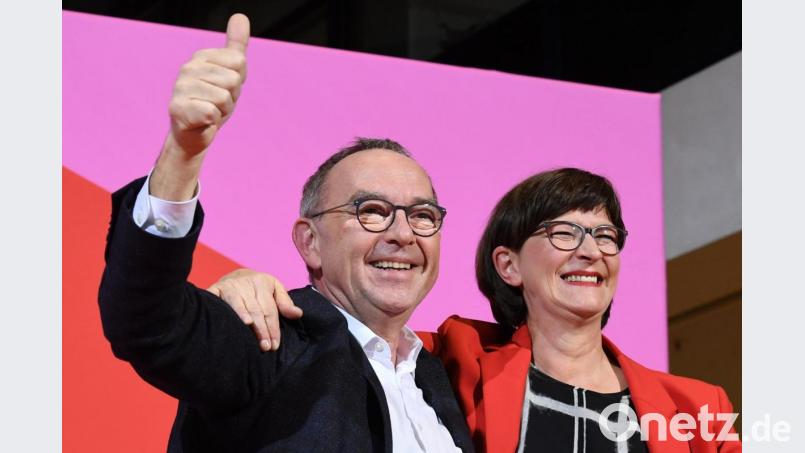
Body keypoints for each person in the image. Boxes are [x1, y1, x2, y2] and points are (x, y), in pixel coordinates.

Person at [98, 13, 473, 453]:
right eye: (372, 211)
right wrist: (182, 153)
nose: (404, 234)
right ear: (309, 241)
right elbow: (144, 320)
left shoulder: (437, 376)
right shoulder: (266, 337)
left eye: (423, 215)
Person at [215, 168, 742, 452]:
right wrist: (244, 283)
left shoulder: (698, 407)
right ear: (508, 265)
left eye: (606, 236)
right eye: (564, 233)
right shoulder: (454, 356)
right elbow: (352, 330)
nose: (591, 251)